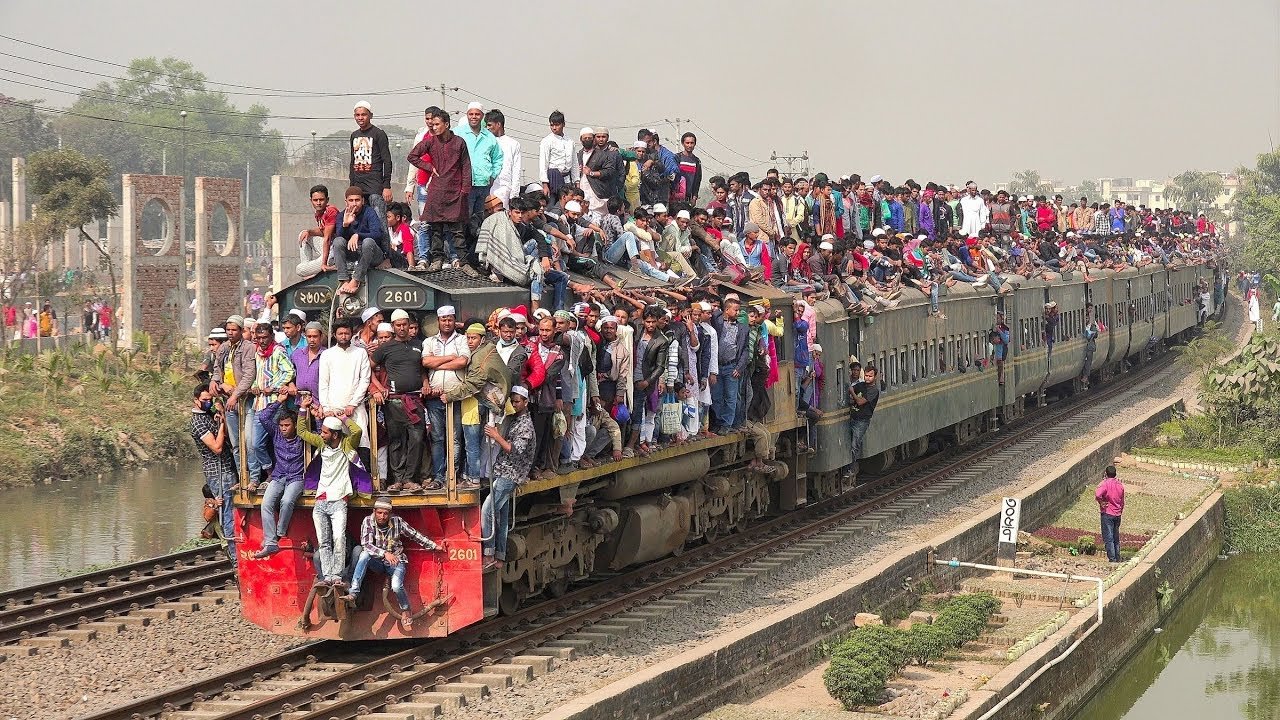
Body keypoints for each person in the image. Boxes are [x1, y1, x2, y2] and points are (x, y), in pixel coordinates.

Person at [341, 496, 441, 631]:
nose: (382, 516)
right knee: (364, 554)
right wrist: (384, 554)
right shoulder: (368, 521)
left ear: (390, 514)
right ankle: (354, 593)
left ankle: (406, 609)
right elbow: (366, 545)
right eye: (379, 513)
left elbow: (414, 535)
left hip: (396, 561)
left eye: (385, 513)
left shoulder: (397, 522)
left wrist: (434, 546)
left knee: (396, 586)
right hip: (378, 562)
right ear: (374, 511)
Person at [300, 408, 363, 586]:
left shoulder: (347, 445)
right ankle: (327, 577)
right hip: (320, 500)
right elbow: (302, 431)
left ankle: (337, 576)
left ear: (335, 435)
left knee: (338, 539)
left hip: (339, 500)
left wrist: (343, 417)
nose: (321, 434)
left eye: (325, 432)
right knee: (324, 541)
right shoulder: (321, 444)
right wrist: (303, 409)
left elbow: (357, 431)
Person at [408, 109, 473, 272]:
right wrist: (428, 166)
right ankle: (437, 259)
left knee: (457, 230)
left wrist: (465, 189)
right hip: (436, 190)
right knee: (436, 228)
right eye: (433, 124)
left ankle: (463, 262)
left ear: (447, 124)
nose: (434, 127)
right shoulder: (430, 142)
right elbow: (412, 156)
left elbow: (466, 166)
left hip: (455, 190)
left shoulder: (459, 142)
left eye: (437, 124)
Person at [371, 309, 427, 492]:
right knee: (396, 440)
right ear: (393, 327)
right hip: (393, 401)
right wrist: (379, 388)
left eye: (405, 324)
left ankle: (411, 479)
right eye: (398, 325)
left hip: (415, 399)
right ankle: (396, 480)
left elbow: (423, 369)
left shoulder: (419, 345)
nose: (402, 328)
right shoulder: (385, 348)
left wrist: (425, 383)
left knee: (417, 439)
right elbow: (368, 368)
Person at [481, 385, 536, 571]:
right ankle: (500, 556)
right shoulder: (514, 419)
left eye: (517, 401)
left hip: (511, 473)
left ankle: (488, 553)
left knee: (487, 511)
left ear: (526, 402)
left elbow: (515, 450)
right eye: (512, 401)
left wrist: (496, 436)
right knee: (502, 517)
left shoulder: (526, 425)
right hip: (504, 470)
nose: (514, 404)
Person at [421, 305, 470, 489]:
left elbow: (463, 361)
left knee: (456, 438)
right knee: (437, 438)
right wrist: (450, 357)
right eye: (443, 320)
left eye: (450, 319)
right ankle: (438, 476)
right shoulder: (430, 341)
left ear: (454, 320)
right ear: (438, 321)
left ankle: (453, 473)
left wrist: (437, 364)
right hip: (434, 398)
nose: (447, 323)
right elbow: (426, 361)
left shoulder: (462, 340)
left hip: (456, 396)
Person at [252, 399, 306, 558]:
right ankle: (271, 543)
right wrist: (279, 401)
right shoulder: (276, 433)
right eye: (281, 426)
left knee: (287, 501)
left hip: (296, 476)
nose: (283, 429)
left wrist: (306, 410)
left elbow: (317, 430)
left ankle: (278, 533)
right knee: (266, 503)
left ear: (295, 425)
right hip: (278, 475)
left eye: (287, 425)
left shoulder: (302, 435)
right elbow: (263, 417)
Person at [190, 383, 237, 565]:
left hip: (226, 468)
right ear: (196, 401)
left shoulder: (207, 415)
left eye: (210, 400)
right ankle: (235, 560)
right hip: (218, 473)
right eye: (205, 400)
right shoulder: (198, 422)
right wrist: (224, 423)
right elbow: (216, 447)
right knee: (227, 515)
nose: (208, 403)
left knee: (231, 513)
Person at [334, 186, 389, 296]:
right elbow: (339, 238)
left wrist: (358, 235)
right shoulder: (342, 215)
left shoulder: (369, 212)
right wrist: (345, 225)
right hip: (354, 253)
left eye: (357, 200)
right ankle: (344, 281)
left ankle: (355, 281)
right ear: (346, 202)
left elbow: (378, 234)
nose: (354, 204)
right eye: (351, 200)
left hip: (372, 253)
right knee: (338, 241)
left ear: (362, 200)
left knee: (368, 241)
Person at [348, 100, 394, 231]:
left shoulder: (378, 134)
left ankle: (385, 251)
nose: (360, 118)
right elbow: (353, 161)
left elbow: (387, 160)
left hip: (375, 186)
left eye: (364, 114)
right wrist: (352, 186)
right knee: (360, 222)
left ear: (370, 115)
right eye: (357, 115)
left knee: (380, 223)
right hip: (358, 186)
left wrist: (386, 186)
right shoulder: (354, 136)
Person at [457, 102, 504, 217]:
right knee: (464, 216)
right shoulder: (457, 133)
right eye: (471, 114)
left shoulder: (489, 137)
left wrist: (493, 175)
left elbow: (498, 158)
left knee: (479, 217)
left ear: (482, 116)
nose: (474, 117)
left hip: (483, 184)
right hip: (464, 184)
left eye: (477, 114)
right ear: (467, 115)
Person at [296, 184, 339, 278]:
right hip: (328, 246)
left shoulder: (331, 211)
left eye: (321, 200)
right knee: (303, 234)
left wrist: (324, 264)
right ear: (311, 200)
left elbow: (327, 238)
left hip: (334, 251)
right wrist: (309, 232)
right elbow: (323, 231)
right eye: (315, 200)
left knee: (299, 270)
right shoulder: (319, 213)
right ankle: (309, 269)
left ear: (327, 200)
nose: (318, 203)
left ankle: (314, 270)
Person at [485, 109, 523, 209]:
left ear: (498, 124)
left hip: (505, 189)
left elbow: (516, 171)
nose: (487, 128)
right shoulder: (485, 142)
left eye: (489, 125)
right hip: (487, 187)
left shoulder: (513, 144)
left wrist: (514, 195)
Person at [847, 364, 880, 474]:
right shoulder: (860, 385)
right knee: (849, 443)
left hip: (862, 420)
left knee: (855, 444)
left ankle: (851, 468)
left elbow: (860, 402)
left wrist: (852, 393)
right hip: (852, 416)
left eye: (870, 376)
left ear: (875, 377)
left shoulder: (874, 391)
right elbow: (851, 397)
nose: (867, 378)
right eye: (866, 375)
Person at [1095, 464, 1125, 563]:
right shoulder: (1120, 485)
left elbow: (1098, 494)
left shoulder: (1105, 484)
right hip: (1117, 513)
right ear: (1115, 474)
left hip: (1108, 513)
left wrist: (1102, 502)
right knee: (1116, 538)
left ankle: (1112, 559)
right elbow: (1122, 501)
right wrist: (1120, 511)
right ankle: (1117, 557)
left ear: (1106, 474)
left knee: (1109, 537)